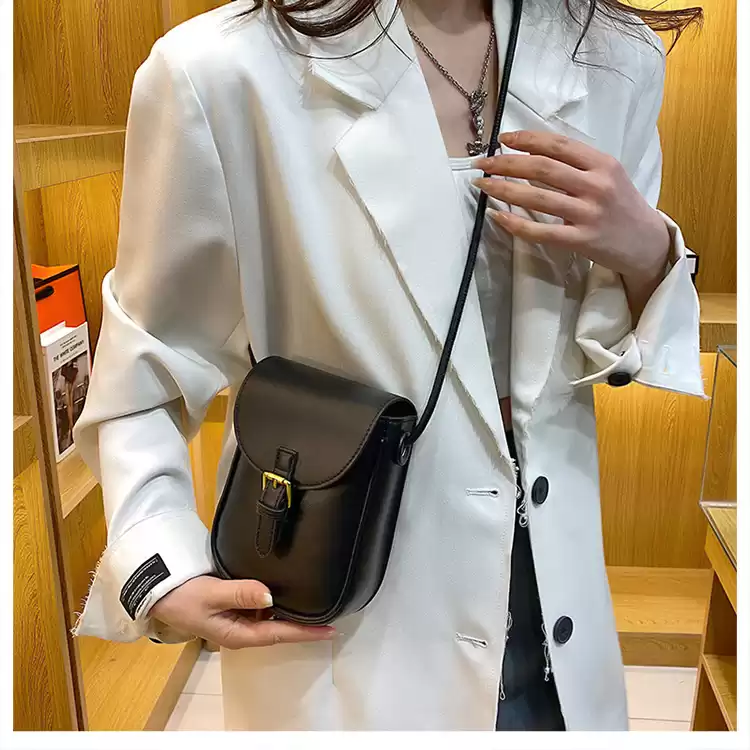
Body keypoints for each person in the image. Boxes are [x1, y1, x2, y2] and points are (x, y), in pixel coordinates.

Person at [72, 0, 705, 731]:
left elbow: (604, 341)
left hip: (556, 607)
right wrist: (157, 563)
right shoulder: (219, 71)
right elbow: (149, 357)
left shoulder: (614, 56)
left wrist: (650, 252)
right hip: (352, 611)